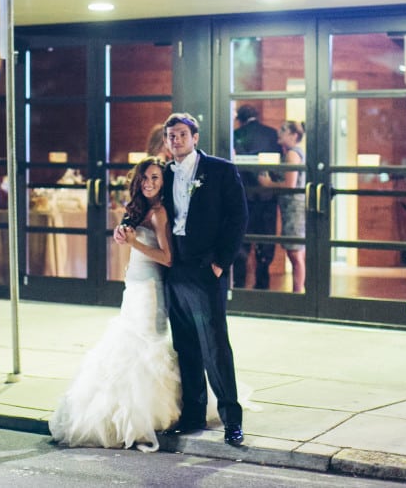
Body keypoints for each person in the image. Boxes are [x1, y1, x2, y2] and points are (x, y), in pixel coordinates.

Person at [117, 112, 247, 447]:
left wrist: (220, 263)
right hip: (174, 269)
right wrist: (125, 225)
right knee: (185, 345)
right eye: (170, 136)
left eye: (181, 135)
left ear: (195, 137)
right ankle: (193, 414)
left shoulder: (220, 170)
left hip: (205, 270)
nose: (175, 141)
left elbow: (238, 218)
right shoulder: (165, 171)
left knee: (215, 346)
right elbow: (145, 201)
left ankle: (233, 420)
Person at [49, 157, 180, 452]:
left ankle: (150, 413)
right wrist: (123, 234)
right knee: (125, 345)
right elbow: (133, 241)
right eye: (145, 178)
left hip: (150, 290)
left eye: (155, 179)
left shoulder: (159, 213)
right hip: (133, 286)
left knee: (146, 347)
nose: (148, 183)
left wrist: (134, 243)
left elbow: (167, 258)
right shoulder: (140, 209)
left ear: (163, 183)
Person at [232, 104, 281, 289]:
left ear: (240, 119)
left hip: (244, 197)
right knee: (265, 241)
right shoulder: (271, 134)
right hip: (267, 197)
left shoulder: (237, 135)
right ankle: (262, 286)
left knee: (242, 242)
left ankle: (239, 285)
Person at [258, 121, 306, 293]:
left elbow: (290, 184)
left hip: (294, 209)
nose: (279, 132)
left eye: (284, 130)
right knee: (295, 251)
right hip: (291, 209)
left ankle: (298, 293)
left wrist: (268, 183)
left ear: (294, 135)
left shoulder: (293, 154)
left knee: (295, 253)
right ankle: (298, 292)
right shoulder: (292, 153)